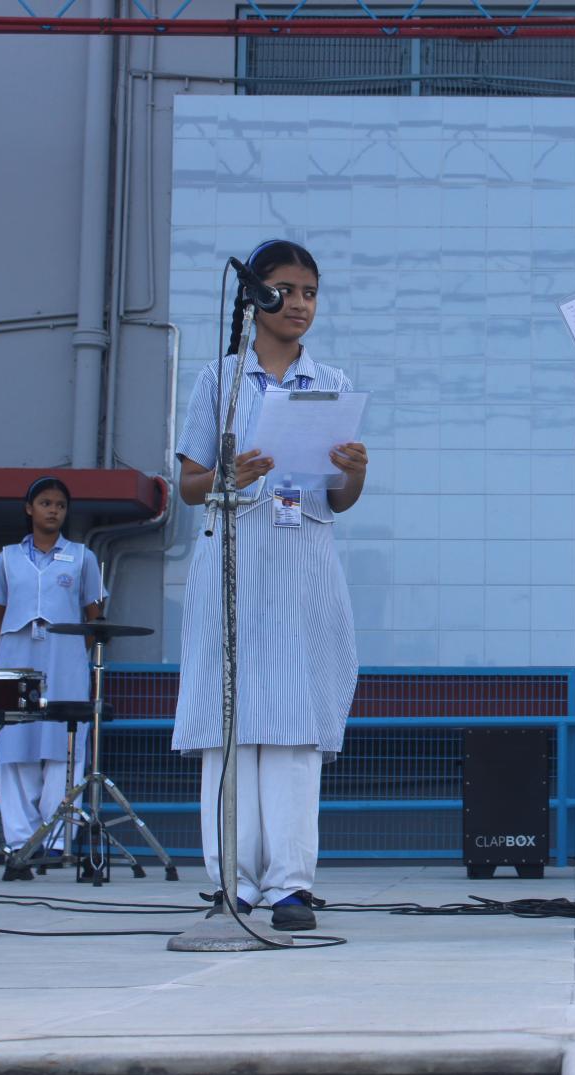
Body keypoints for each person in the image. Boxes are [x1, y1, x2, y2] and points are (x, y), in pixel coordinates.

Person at [172, 239, 368, 933]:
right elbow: (188, 484)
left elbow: (339, 498)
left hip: (302, 563)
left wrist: (355, 471)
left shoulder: (330, 381)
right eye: (285, 290)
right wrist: (229, 475)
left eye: (310, 292)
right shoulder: (219, 379)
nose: (299, 304)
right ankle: (234, 881)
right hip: (234, 558)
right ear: (254, 295)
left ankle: (290, 884)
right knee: (231, 722)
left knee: (293, 725)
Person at [0, 476, 104, 879]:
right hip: (17, 655)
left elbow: (94, 616)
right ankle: (21, 842)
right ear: (29, 508)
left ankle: (55, 841)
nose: (53, 510)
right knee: (15, 742)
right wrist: (17, 646)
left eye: (60, 505)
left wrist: (69, 654)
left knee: (63, 745)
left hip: (65, 658)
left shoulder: (82, 557)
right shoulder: (7, 558)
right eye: (46, 503)